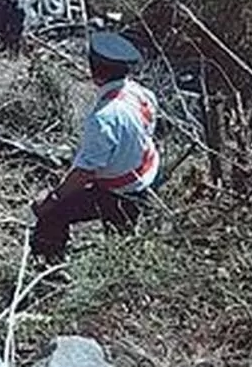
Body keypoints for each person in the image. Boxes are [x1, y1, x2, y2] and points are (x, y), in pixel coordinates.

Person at [31, 32, 161, 262]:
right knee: (122, 242)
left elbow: (84, 173)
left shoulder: (103, 118)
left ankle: (49, 271)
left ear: (94, 71)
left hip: (119, 190)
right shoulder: (142, 93)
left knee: (52, 214)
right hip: (145, 173)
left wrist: (52, 198)